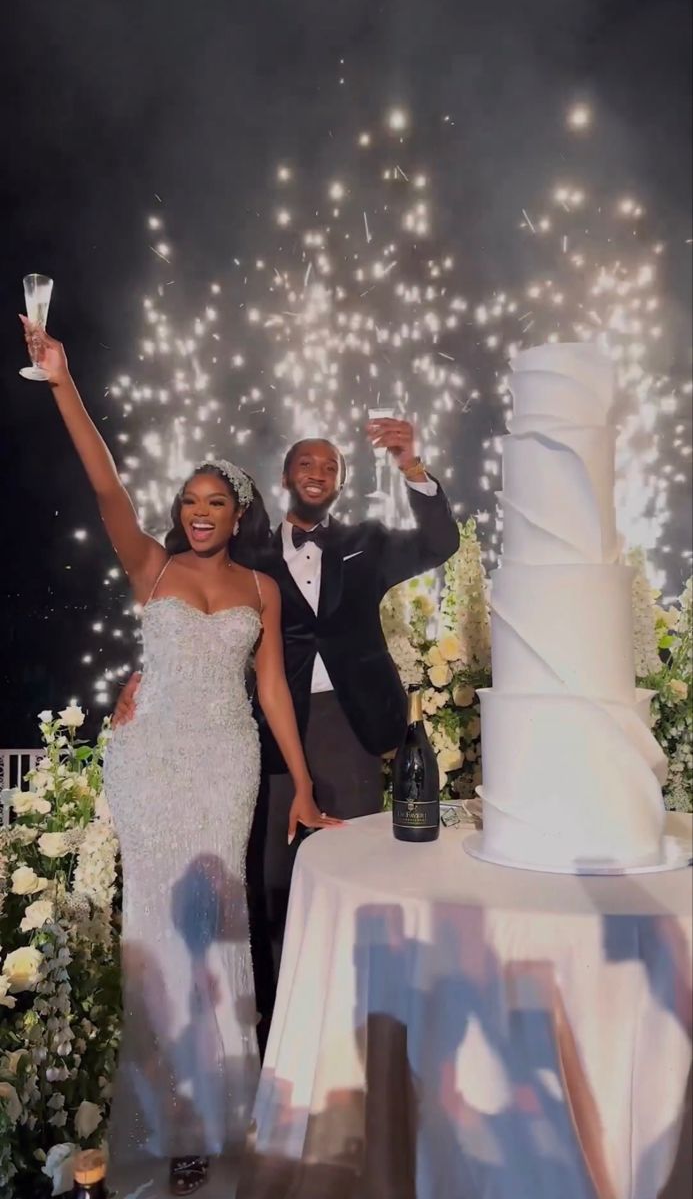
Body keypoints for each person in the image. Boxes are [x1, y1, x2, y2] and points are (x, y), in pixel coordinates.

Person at [20, 317, 339, 1196]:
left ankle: (209, 1115)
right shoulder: (150, 567)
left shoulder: (261, 588)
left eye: (214, 504)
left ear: (239, 516)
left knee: (212, 932)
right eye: (188, 502)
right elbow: (103, 484)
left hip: (226, 767)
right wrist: (63, 384)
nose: (196, 514)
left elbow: (272, 692)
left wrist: (302, 785)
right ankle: (163, 1120)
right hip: (151, 761)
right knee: (156, 936)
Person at [115, 422, 459, 1048]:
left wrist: (415, 470)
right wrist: (147, 675)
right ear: (284, 477)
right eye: (306, 461)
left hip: (351, 726)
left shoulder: (367, 543)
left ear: (341, 481)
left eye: (330, 465)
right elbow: (189, 614)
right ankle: (275, 1026)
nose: (317, 471)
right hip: (264, 733)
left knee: (357, 868)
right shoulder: (247, 554)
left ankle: (359, 1020)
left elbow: (441, 541)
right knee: (269, 878)